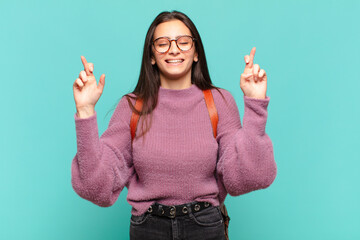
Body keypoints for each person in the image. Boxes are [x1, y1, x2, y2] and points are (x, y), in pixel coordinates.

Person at [71, 10, 277, 240]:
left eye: (183, 41)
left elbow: (248, 177)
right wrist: (85, 110)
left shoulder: (219, 101)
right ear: (151, 56)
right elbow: (95, 186)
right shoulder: (131, 106)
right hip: (148, 228)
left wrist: (256, 105)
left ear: (196, 52)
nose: (174, 48)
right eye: (162, 43)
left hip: (205, 227)